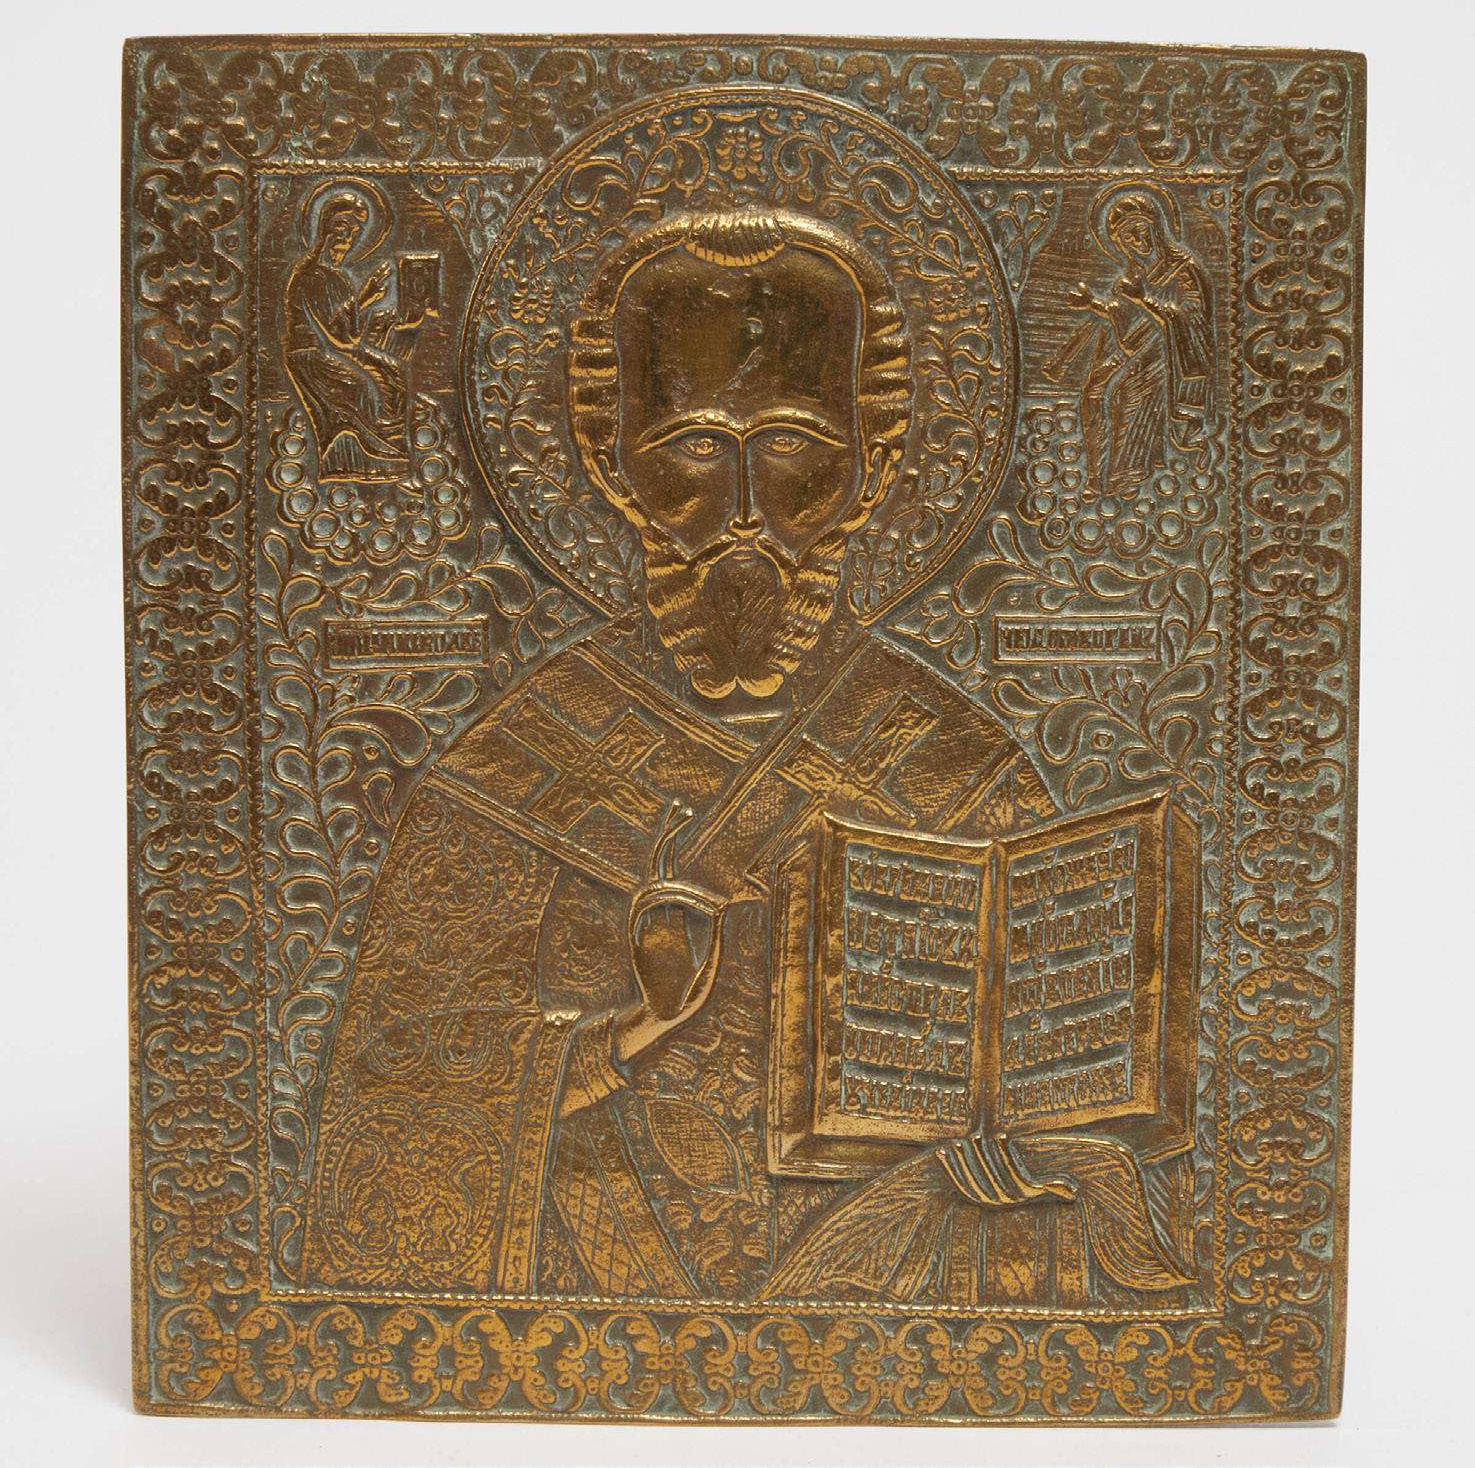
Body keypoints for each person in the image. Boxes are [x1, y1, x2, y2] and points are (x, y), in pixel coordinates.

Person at [299, 209, 1191, 1305]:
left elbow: (1085, 1086)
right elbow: (389, 1105)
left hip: (882, 1313)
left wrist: (1029, 1146)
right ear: (609, 463)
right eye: (691, 448)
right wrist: (632, 1030)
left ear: (871, 466)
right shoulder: (511, 762)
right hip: (596, 1301)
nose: (743, 509)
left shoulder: (959, 759)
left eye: (790, 446)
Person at [1067, 191, 1215, 496]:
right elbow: (1122, 314)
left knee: (1123, 393)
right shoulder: (1134, 273)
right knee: (1092, 390)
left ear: (1156, 227)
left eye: (1140, 231)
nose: (1137, 241)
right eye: (1127, 239)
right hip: (1136, 348)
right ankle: (1095, 476)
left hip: (1170, 356)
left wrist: (1144, 299)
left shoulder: (1182, 269)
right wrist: (1093, 303)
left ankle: (1128, 477)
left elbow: (1193, 318)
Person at [283, 191, 420, 482]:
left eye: (355, 232)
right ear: (326, 228)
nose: (347, 239)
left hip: (335, 350)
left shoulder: (341, 277)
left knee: (395, 372)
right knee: (361, 386)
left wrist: (371, 304)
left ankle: (394, 461)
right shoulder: (309, 275)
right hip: (310, 356)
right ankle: (353, 464)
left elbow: (351, 336)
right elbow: (337, 337)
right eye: (342, 228)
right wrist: (364, 297)